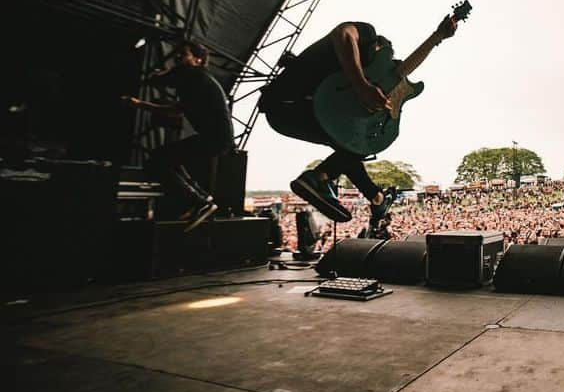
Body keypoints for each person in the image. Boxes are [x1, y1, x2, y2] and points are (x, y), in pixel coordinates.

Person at [258, 13, 458, 229]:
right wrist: (362, 86)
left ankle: (358, 192)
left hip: (286, 115)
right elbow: (343, 33)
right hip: (291, 103)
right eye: (388, 57)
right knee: (363, 139)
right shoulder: (368, 36)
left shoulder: (344, 85)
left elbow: (405, 68)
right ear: (379, 48)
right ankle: (327, 181)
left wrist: (438, 36)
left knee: (359, 140)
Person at [122, 39, 233, 231]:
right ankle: (201, 197)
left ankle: (197, 201)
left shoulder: (195, 76)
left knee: (156, 159)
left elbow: (170, 102)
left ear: (198, 59)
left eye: (184, 54)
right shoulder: (197, 81)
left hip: (215, 138)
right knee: (168, 158)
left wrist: (139, 102)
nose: (178, 58)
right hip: (217, 138)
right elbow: (175, 108)